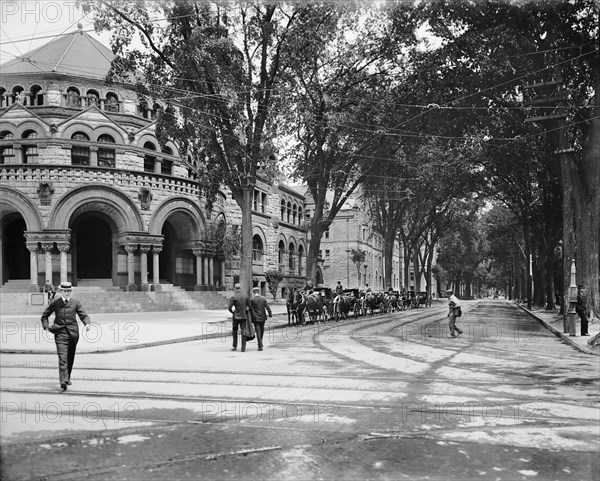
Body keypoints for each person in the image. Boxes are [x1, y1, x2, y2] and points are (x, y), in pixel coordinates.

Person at [40, 281, 91, 391]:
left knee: (70, 357)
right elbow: (45, 316)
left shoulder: (76, 303)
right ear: (61, 291)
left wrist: (87, 324)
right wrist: (45, 326)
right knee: (63, 357)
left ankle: (67, 377)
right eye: (65, 291)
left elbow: (83, 315)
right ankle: (63, 381)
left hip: (73, 334)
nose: (67, 293)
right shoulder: (55, 303)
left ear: (70, 292)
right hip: (60, 333)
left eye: (68, 291)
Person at [228, 283, 252, 352]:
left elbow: (229, 308)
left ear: (235, 288)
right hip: (243, 316)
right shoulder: (245, 296)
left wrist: (233, 312)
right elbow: (250, 307)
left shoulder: (234, 297)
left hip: (236, 317)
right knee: (243, 331)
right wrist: (247, 310)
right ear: (240, 288)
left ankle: (234, 346)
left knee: (234, 331)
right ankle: (243, 348)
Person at [250, 287, 272, 351]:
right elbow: (267, 307)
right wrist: (270, 315)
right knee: (262, 330)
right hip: (263, 318)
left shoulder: (252, 300)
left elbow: (251, 309)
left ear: (254, 293)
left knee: (258, 331)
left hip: (256, 318)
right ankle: (260, 342)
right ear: (258, 292)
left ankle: (260, 345)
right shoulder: (263, 299)